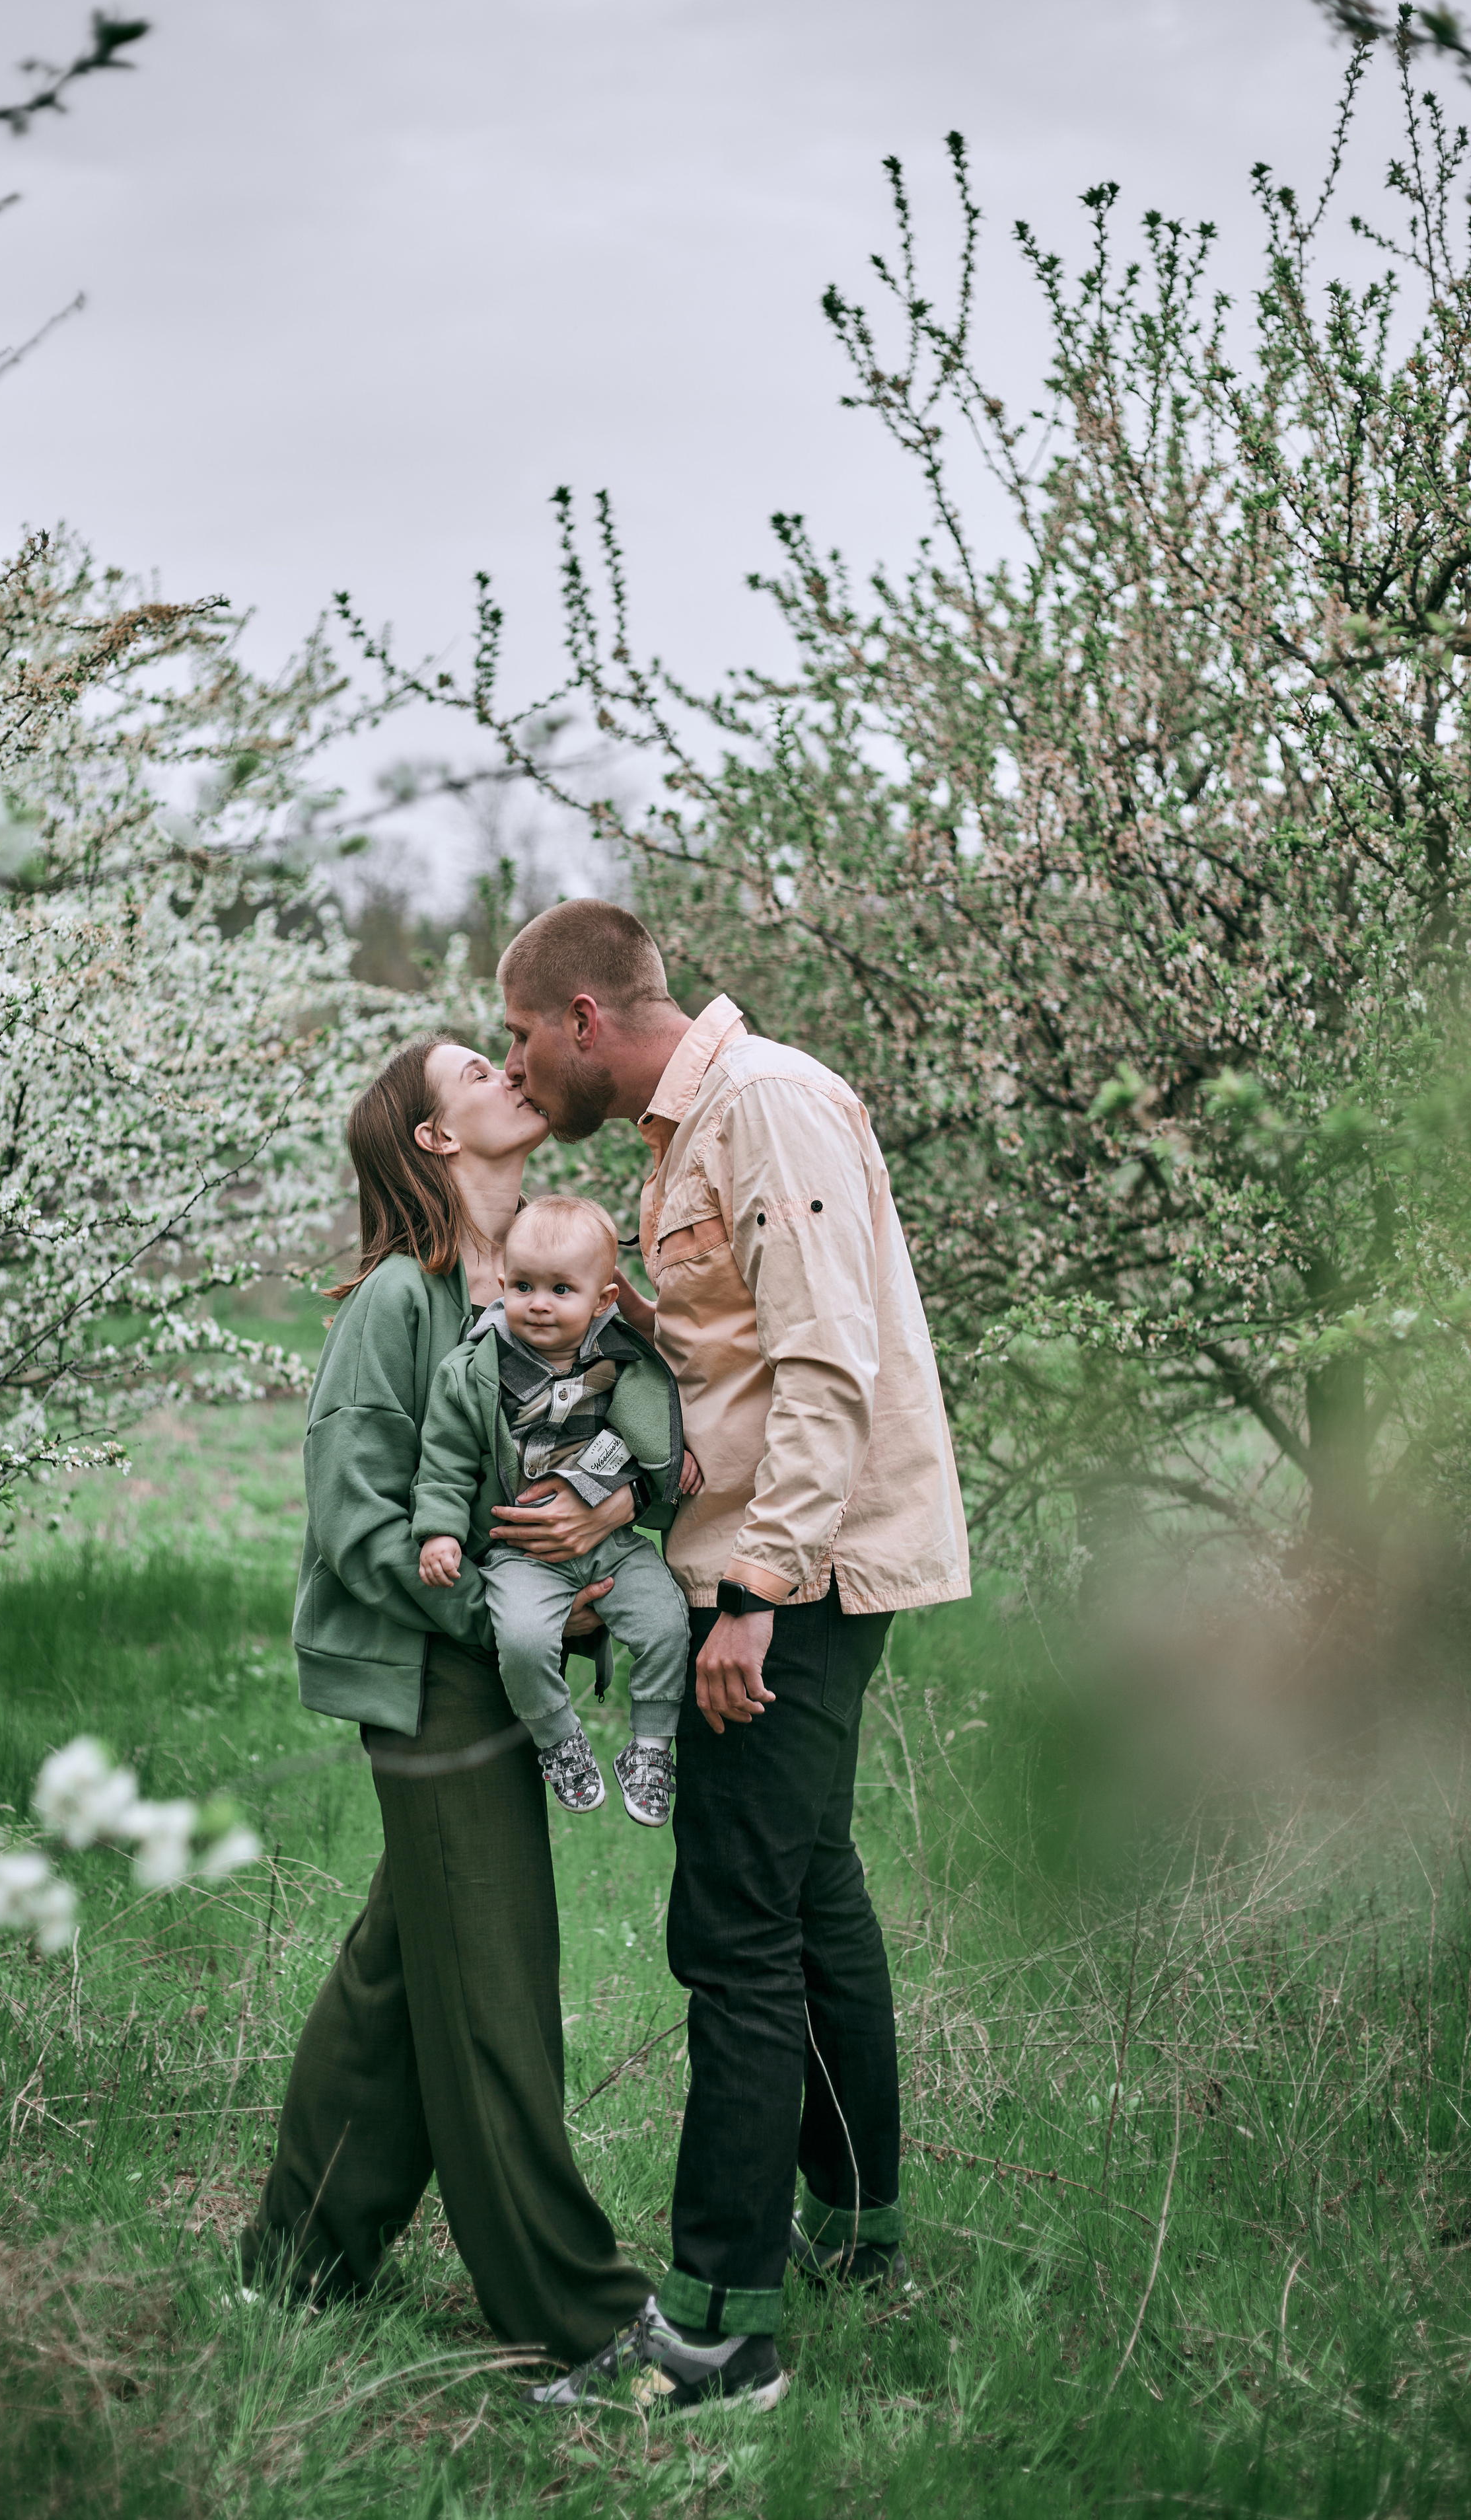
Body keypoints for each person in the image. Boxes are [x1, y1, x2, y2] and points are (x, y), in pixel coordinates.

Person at [498, 899, 970, 2415]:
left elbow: (831, 1356)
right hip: (777, 1560)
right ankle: (852, 2230)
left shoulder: (760, 1101)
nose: (516, 1064)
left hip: (795, 1576)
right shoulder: (684, 1130)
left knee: (733, 1931)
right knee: (810, 1892)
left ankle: (714, 2332)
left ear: (580, 1016)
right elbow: (746, 1348)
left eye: (517, 1034)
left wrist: (758, 1588)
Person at [238, 1036, 650, 2362]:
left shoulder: (539, 1290)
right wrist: (495, 1617)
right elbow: (358, 1521)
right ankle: (574, 2319)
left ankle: (296, 2267)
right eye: (475, 1066)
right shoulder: (396, 1306)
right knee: (492, 1987)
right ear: (434, 1138)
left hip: (495, 1672)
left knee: (401, 1976)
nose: (506, 1068)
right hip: (430, 1680)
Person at [413, 1191, 699, 1823]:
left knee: (666, 1622)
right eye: (522, 1286)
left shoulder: (619, 1361)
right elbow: (445, 1460)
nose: (538, 1304)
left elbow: (652, 1428)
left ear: (602, 1300)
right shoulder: (476, 1370)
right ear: (501, 1284)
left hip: (612, 1543)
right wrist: (439, 1532)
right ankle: (557, 1737)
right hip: (520, 1552)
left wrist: (674, 1458)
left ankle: (651, 1743)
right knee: (519, 1639)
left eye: (560, 1290)